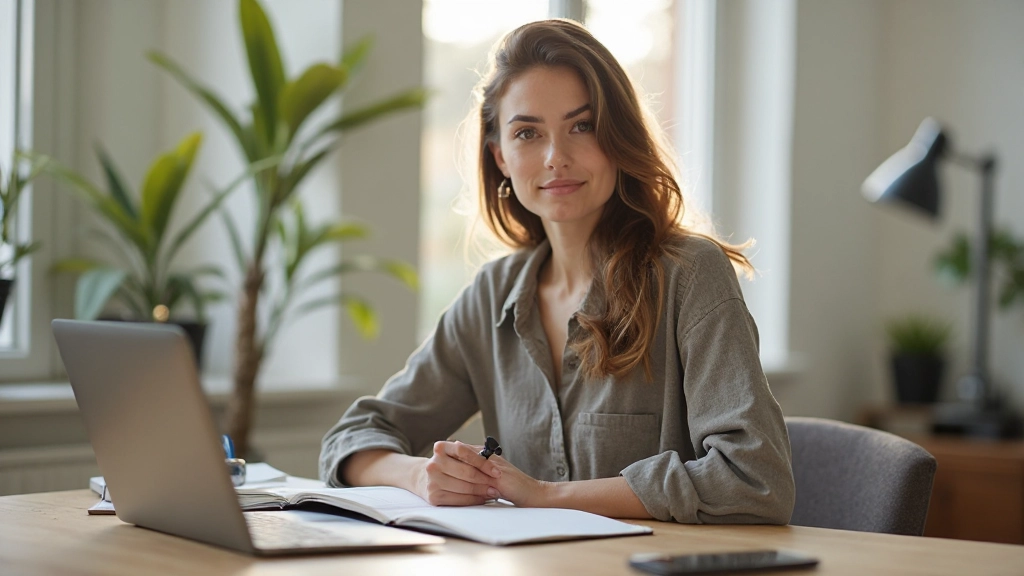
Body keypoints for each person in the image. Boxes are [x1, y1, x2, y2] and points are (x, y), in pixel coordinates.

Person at [319, 19, 795, 524]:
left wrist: (544, 495)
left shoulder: (689, 274)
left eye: (582, 126)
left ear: (618, 137)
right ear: (500, 156)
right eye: (527, 133)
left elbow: (754, 480)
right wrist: (419, 475)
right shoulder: (491, 296)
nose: (555, 158)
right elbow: (352, 438)